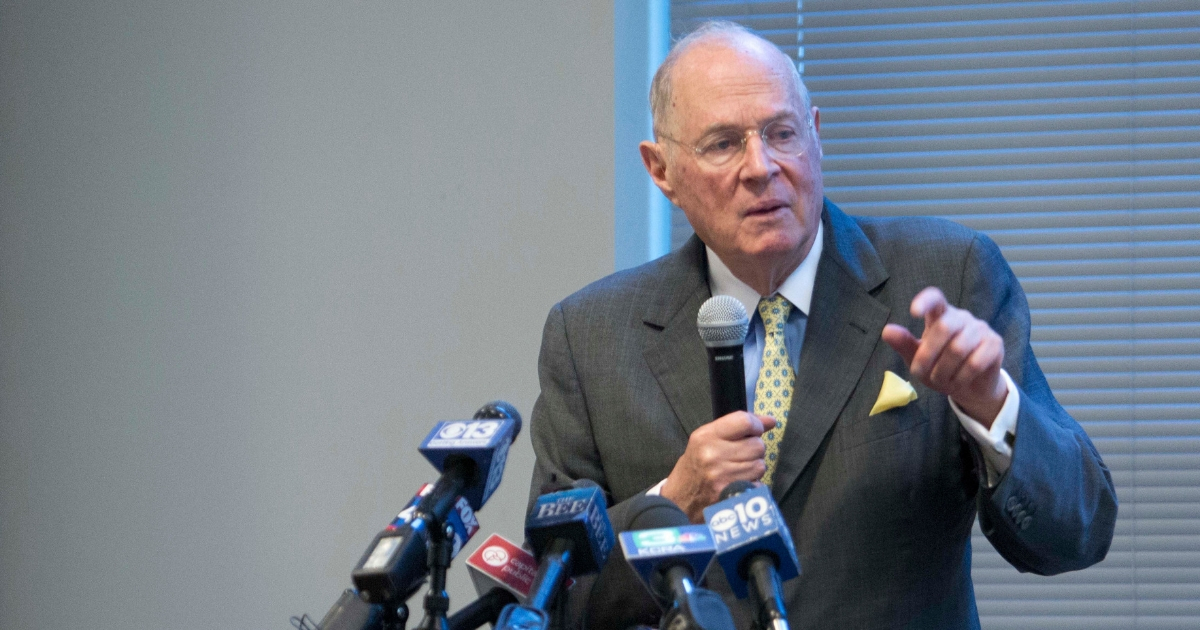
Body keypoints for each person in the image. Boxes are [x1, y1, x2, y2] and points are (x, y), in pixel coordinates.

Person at [527, 21, 1116, 629]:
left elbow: (1079, 533)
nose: (762, 167)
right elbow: (555, 600)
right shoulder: (591, 335)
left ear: (816, 134)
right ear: (662, 170)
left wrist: (990, 405)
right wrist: (675, 499)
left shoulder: (946, 275)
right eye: (724, 144)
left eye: (781, 133)